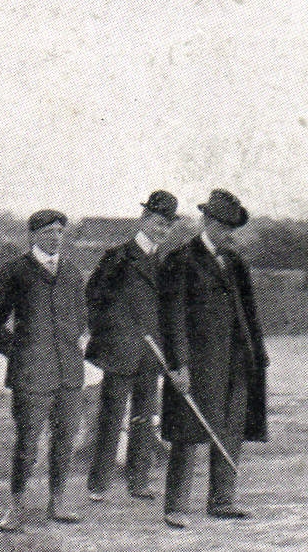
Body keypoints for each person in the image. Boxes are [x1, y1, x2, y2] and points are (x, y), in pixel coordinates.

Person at [157, 189, 269, 528]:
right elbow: (172, 317)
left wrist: (258, 355)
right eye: (222, 226)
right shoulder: (180, 259)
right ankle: (176, 506)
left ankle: (222, 500)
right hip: (199, 362)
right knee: (189, 430)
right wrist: (178, 365)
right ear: (206, 222)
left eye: (231, 227)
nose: (228, 233)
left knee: (232, 428)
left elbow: (249, 314)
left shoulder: (236, 262)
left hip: (237, 360)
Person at [0, 209, 89, 531]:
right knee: (27, 442)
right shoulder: (15, 271)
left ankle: (58, 502)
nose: (55, 237)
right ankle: (16, 507)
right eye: (47, 231)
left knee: (65, 439)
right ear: (33, 235)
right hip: (32, 376)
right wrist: (20, 353)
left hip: (69, 374)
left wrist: (75, 340)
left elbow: (82, 318)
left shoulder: (71, 272)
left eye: (59, 231)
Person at [83, 190, 179, 502]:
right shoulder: (118, 257)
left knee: (144, 417)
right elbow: (94, 299)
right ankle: (99, 485)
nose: (161, 230)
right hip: (120, 352)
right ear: (144, 219)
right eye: (157, 222)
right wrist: (113, 335)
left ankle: (138, 482)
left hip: (151, 355)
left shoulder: (163, 263)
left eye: (167, 225)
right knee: (112, 415)